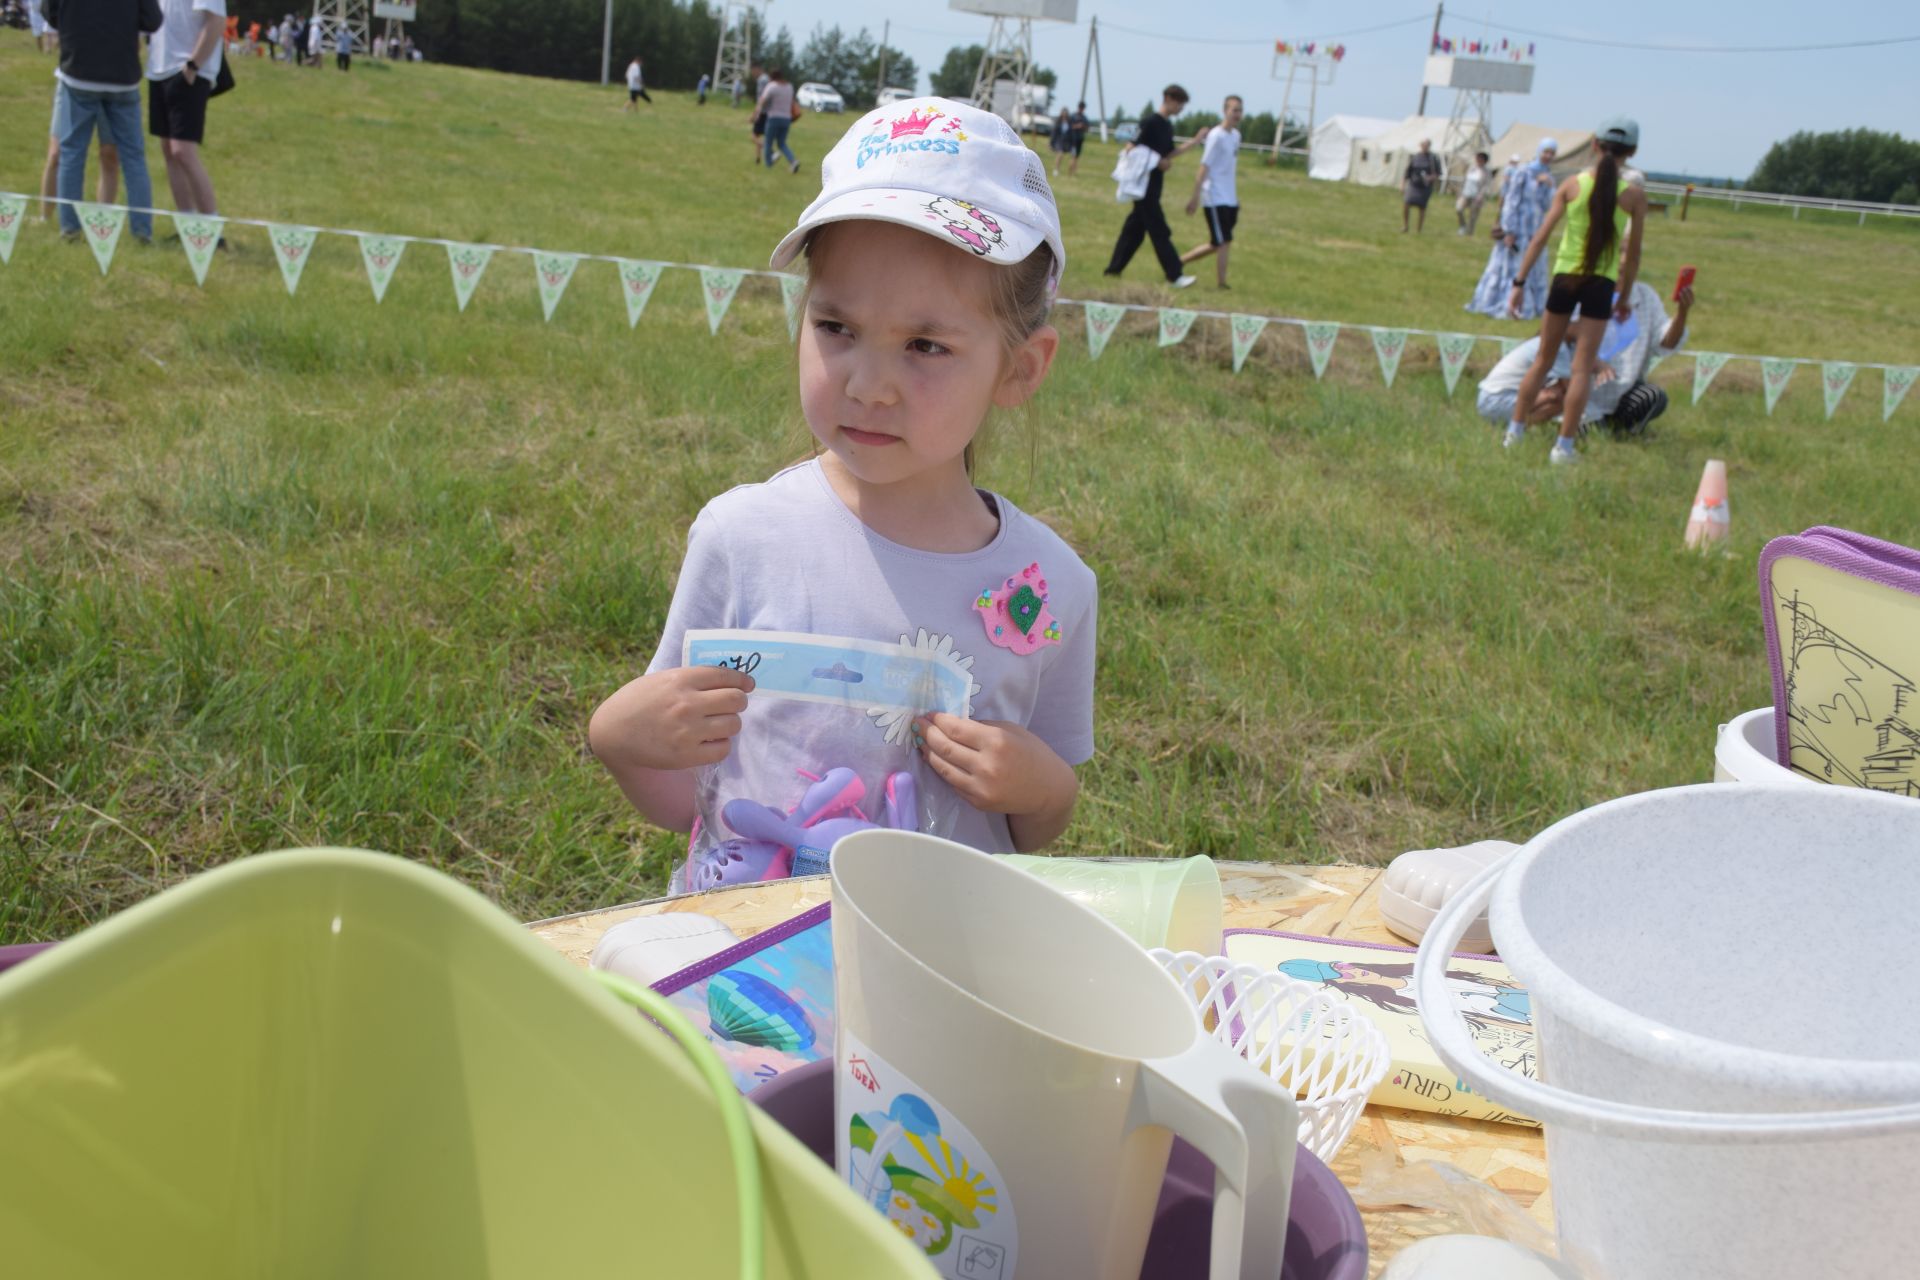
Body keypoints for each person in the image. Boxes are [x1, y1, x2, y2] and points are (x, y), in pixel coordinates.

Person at [588, 98, 1093, 890]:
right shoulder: (742, 536)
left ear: (1020, 369)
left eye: (925, 345)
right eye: (836, 328)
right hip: (752, 969)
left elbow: (1033, 828)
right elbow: (693, 798)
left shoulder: (1053, 585)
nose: (867, 384)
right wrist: (619, 738)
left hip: (935, 970)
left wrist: (1041, 786)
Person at [1502, 118, 1648, 464]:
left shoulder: (1571, 185)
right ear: (1633, 153)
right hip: (1601, 283)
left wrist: (1518, 283)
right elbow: (1634, 256)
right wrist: (1624, 299)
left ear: (1595, 146)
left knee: (1543, 360)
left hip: (1565, 277)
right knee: (1582, 369)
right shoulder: (1634, 197)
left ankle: (1514, 432)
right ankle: (1563, 447)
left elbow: (1540, 238)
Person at [41, 0, 159, 245]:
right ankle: (142, 232)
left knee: (72, 153)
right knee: (134, 157)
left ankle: (70, 230)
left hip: (78, 72)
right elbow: (153, 21)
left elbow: (50, 13)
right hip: (123, 77)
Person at [1103, 83, 1197, 288]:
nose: (1181, 109)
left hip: (1154, 188)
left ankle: (1113, 270)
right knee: (1159, 231)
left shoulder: (1167, 126)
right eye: (1180, 104)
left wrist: (1194, 142)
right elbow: (1131, 149)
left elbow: (1168, 154)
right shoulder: (1150, 122)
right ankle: (1175, 275)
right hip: (1142, 188)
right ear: (1169, 99)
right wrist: (1156, 161)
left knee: (1133, 233)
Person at [147, 0, 224, 218]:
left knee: (183, 151)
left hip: (188, 72)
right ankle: (187, 223)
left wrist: (192, 66)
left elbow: (216, 21)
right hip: (159, 69)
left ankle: (211, 228)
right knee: (169, 151)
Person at [1466, 139, 1557, 320]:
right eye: (1545, 151)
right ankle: (1504, 302)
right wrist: (1509, 229)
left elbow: (1547, 205)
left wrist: (1548, 186)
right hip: (1518, 229)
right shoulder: (1523, 172)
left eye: (1551, 153)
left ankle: (1531, 305)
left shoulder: (1549, 177)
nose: (1548, 156)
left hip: (1535, 231)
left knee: (1533, 267)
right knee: (1512, 267)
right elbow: (1511, 201)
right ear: (1539, 151)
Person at [1180, 93, 1243, 289]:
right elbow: (1204, 166)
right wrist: (1195, 197)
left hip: (1230, 197)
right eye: (1234, 110)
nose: (1237, 114)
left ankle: (1177, 262)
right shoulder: (1216, 136)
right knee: (1223, 241)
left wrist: (1235, 197)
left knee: (1218, 243)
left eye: (1240, 110)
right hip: (1214, 196)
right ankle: (1222, 283)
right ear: (1225, 111)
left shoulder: (1236, 136)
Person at [757, 67, 798, 174]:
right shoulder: (789, 86)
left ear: (772, 77)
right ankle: (793, 161)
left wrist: (758, 112)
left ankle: (769, 165)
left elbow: (763, 100)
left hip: (774, 117)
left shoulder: (772, 86)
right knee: (781, 143)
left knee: (768, 142)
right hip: (787, 119)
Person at [1400, 138, 1440, 232]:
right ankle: (1405, 226)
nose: (1425, 147)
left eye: (1427, 145)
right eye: (1423, 145)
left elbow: (1437, 173)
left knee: (1422, 207)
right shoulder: (1416, 157)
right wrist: (1402, 184)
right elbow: (1408, 171)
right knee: (1406, 203)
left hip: (1425, 187)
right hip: (1414, 184)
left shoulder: (1433, 158)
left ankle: (1419, 229)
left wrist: (1430, 178)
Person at [1455, 150, 1490, 236]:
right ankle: (1463, 226)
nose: (1478, 159)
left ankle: (1470, 232)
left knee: (1473, 216)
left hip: (1477, 196)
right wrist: (1460, 192)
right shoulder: (1471, 168)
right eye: (1478, 157)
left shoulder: (1486, 172)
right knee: (1459, 208)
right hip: (1466, 193)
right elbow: (1465, 180)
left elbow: (1486, 185)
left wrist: (1481, 195)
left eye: (1481, 158)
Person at [1048, 106, 1071, 176]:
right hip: (1058, 140)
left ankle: (1059, 168)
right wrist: (1051, 143)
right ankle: (1056, 169)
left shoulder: (1069, 122)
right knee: (1060, 154)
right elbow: (1054, 133)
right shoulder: (1058, 122)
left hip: (1065, 142)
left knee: (1062, 155)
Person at [1067, 100, 1089, 175]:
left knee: (1077, 156)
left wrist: (1083, 127)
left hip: (1080, 139)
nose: (1081, 109)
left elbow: (1087, 128)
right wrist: (1077, 126)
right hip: (1073, 139)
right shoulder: (1073, 116)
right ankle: (1071, 170)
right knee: (1073, 155)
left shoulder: (1084, 118)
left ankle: (1074, 170)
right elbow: (1069, 126)